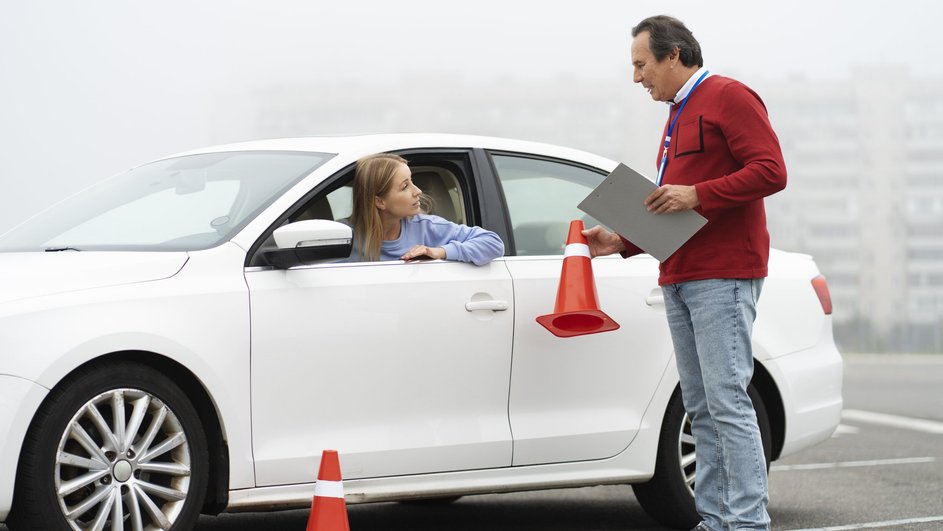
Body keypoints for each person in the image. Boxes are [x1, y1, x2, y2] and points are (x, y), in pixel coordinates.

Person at [582, 15, 787, 531]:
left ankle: (746, 522)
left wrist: (698, 193)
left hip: (722, 274)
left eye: (641, 64)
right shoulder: (678, 113)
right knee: (700, 405)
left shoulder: (729, 96)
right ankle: (716, 519)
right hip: (679, 274)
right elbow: (674, 209)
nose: (636, 77)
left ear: (674, 55)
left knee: (726, 400)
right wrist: (621, 241)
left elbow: (771, 171)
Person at [346, 153, 504, 265]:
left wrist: (439, 252)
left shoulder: (428, 227)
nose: (418, 191)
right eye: (405, 186)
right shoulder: (343, 237)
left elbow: (493, 243)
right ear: (380, 202)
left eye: (411, 181)